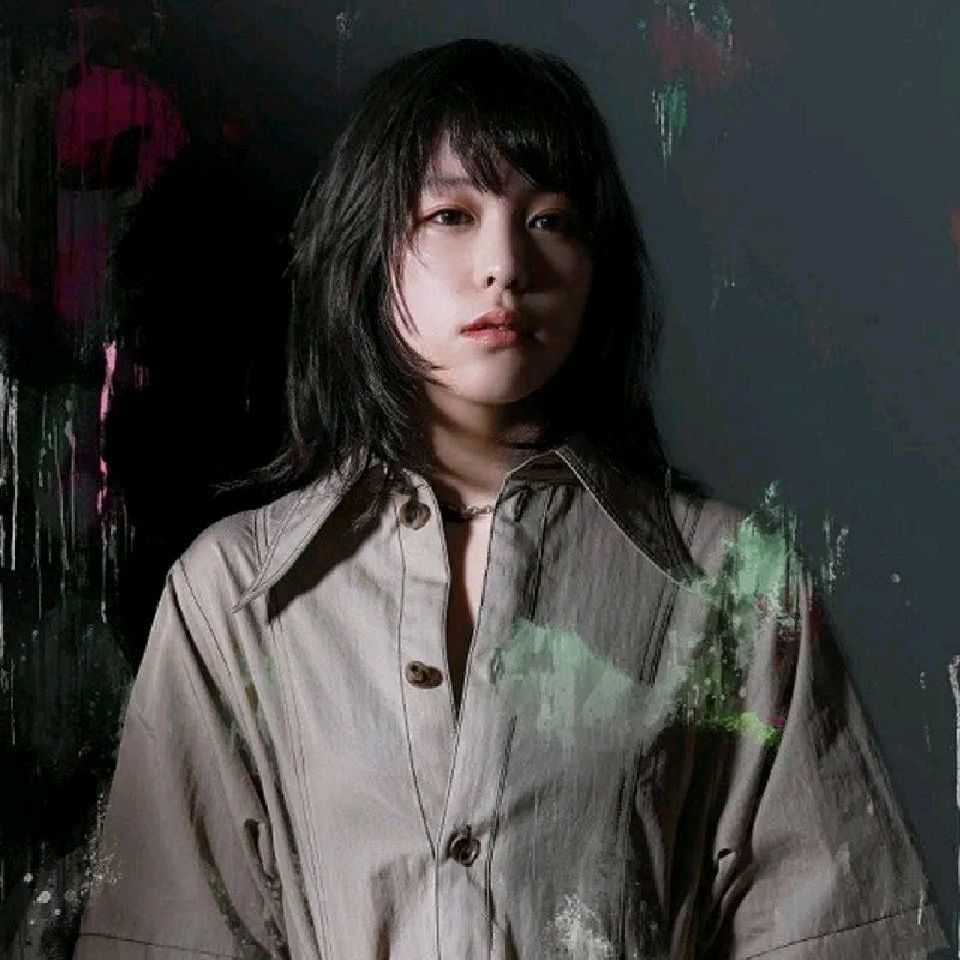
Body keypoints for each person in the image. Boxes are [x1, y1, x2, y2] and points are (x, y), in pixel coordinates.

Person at [74, 38, 947, 960]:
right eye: (451, 214)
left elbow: (834, 935)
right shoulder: (235, 593)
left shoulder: (736, 584)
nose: (505, 265)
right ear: (368, 249)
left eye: (550, 219)